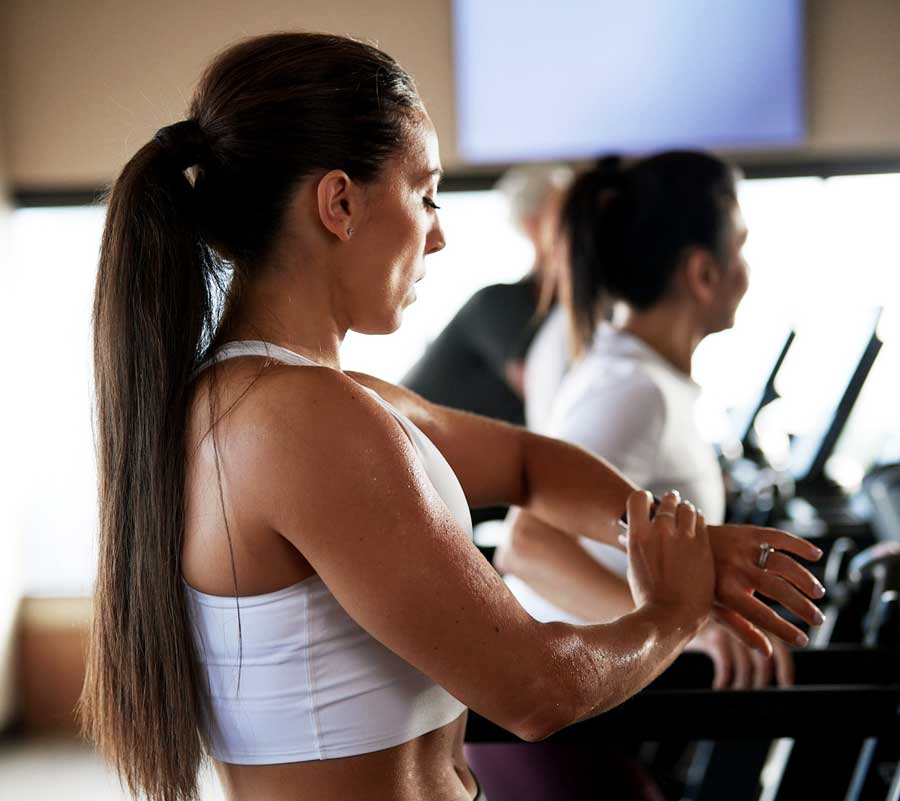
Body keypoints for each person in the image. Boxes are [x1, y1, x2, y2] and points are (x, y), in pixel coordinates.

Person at [79, 34, 824, 801]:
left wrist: (675, 541)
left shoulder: (304, 396)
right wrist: (673, 609)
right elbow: (533, 689)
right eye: (425, 193)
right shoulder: (296, 419)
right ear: (339, 203)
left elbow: (530, 465)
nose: (439, 232)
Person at [487, 153, 795, 799]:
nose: (747, 268)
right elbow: (528, 543)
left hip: (589, 717)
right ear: (703, 271)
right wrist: (685, 623)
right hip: (561, 734)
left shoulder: (646, 380)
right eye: (740, 247)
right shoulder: (631, 390)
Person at [403, 164, 572, 427]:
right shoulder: (497, 305)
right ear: (533, 227)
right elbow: (555, 395)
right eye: (567, 217)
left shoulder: (561, 313)